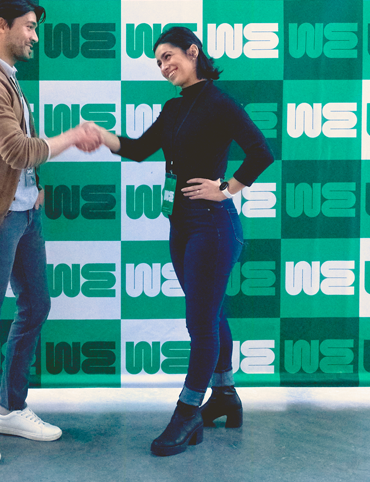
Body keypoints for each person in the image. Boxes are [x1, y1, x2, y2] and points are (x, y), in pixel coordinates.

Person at [90, 26, 274, 456]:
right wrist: (103, 136)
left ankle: (188, 411)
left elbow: (261, 151)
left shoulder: (220, 102)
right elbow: (137, 149)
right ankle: (225, 395)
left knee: (200, 324)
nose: (164, 65)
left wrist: (228, 187)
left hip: (212, 225)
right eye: (158, 61)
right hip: (182, 225)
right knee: (212, 313)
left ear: (193, 52)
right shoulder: (174, 109)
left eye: (169, 55)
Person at [0, 0, 101, 464]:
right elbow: (16, 149)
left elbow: (14, 159)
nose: (34, 36)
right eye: (29, 27)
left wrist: (31, 188)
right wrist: (71, 137)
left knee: (36, 304)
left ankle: (10, 409)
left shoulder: (6, 77)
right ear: (2, 26)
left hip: (22, 213)